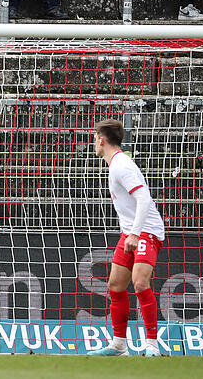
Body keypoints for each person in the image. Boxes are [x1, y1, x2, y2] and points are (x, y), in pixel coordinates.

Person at [87, 119, 165, 357]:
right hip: (131, 231)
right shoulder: (115, 165)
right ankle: (119, 345)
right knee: (115, 286)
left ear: (101, 140)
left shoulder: (122, 165)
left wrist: (135, 233)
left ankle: (152, 346)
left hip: (146, 230)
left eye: (94, 138)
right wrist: (130, 232)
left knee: (140, 282)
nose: (94, 143)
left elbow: (144, 199)